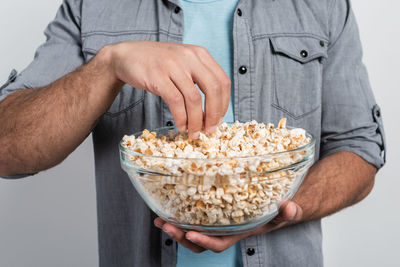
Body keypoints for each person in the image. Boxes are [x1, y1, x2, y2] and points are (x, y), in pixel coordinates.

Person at [0, 0, 386, 266]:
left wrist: (280, 209)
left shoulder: (319, 6)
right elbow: (7, 149)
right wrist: (108, 66)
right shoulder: (94, 6)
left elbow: (359, 149)